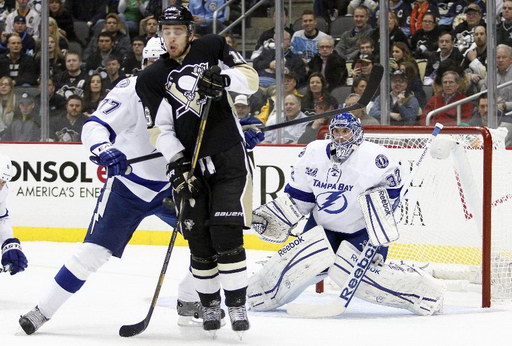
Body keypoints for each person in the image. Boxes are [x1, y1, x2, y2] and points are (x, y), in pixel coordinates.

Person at [18, 36, 219, 335]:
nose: (156, 68)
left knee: (212, 240)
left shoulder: (189, 91)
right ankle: (43, 310)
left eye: (162, 62)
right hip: (128, 188)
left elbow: (212, 131)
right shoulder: (130, 90)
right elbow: (95, 125)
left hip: (174, 186)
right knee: (93, 253)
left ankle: (189, 299)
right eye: (150, 62)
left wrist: (242, 139)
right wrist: (103, 148)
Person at [135, 5, 258, 334]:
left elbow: (252, 80)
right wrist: (178, 163)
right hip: (190, 168)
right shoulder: (151, 79)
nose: (171, 37)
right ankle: (210, 305)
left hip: (228, 157)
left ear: (191, 32)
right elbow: (159, 130)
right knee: (200, 240)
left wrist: (224, 79)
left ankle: (237, 303)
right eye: (166, 31)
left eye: (177, 31)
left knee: (225, 231)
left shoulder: (213, 46)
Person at [248, 112, 444, 315]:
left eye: (346, 131)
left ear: (357, 133)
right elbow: (301, 197)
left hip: (360, 231)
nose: (340, 136)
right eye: (336, 131)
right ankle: (258, 294)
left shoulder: (375, 159)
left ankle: (424, 292)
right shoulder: (313, 154)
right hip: (322, 227)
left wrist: (380, 234)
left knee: (357, 276)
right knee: (300, 265)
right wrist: (277, 217)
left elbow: (392, 196)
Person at [0, 153, 28, 275]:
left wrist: (9, 242)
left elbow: (1, 218)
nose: (1, 187)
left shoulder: (3, 191)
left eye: (2, 183)